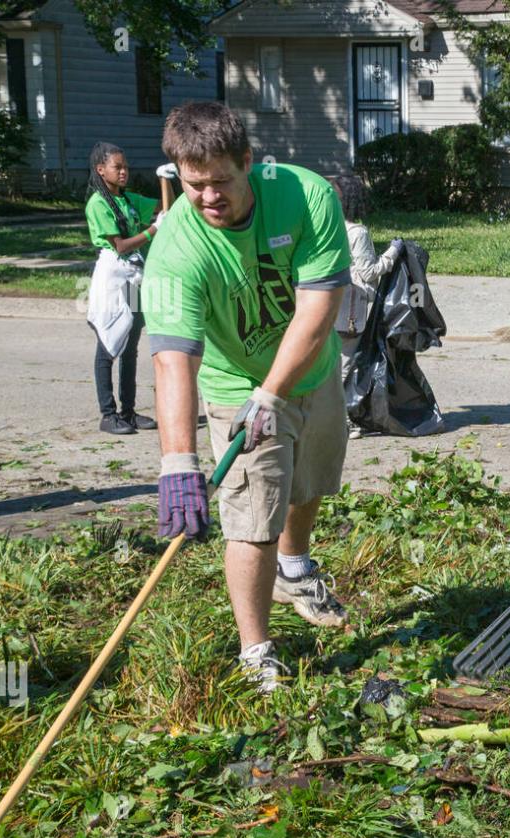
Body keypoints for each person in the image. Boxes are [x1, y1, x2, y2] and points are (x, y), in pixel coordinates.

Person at [142, 102, 353, 693]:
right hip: (235, 388)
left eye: (220, 182)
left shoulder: (306, 196)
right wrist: (178, 460)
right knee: (253, 518)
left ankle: (294, 569)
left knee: (309, 483)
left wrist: (276, 391)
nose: (208, 197)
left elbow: (318, 308)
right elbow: (173, 359)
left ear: (248, 163)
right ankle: (256, 651)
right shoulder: (176, 250)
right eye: (193, 184)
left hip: (311, 371)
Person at [84, 141, 162, 435]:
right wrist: (153, 230)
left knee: (131, 344)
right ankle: (108, 414)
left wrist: (169, 179)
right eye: (118, 167)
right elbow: (120, 245)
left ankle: (128, 412)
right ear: (101, 169)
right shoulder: (98, 203)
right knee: (109, 341)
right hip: (113, 277)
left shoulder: (127, 199)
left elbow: (164, 204)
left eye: (126, 166)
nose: (124, 171)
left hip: (133, 277)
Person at [329, 171, 404, 439]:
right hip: (350, 308)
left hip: (324, 303)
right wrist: (394, 251)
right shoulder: (357, 232)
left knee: (329, 364)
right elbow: (370, 271)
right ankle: (340, 422)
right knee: (345, 366)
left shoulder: (325, 226)